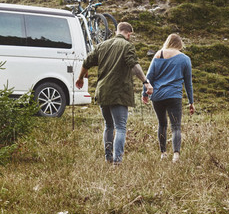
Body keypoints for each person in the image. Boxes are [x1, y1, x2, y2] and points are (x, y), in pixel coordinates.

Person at [76, 22, 152, 165]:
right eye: (130, 35)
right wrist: (145, 82)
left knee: (108, 125)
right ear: (128, 33)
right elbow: (134, 66)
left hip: (103, 91)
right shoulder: (127, 46)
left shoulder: (102, 45)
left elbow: (86, 62)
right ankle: (117, 161)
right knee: (121, 127)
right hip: (119, 93)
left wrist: (80, 78)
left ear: (117, 31)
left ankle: (108, 157)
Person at [141, 33, 194, 163]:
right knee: (176, 126)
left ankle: (163, 153)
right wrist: (191, 102)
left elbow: (149, 76)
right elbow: (188, 83)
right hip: (174, 96)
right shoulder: (185, 59)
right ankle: (176, 155)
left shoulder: (159, 54)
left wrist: (145, 93)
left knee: (162, 124)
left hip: (157, 96)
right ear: (179, 44)